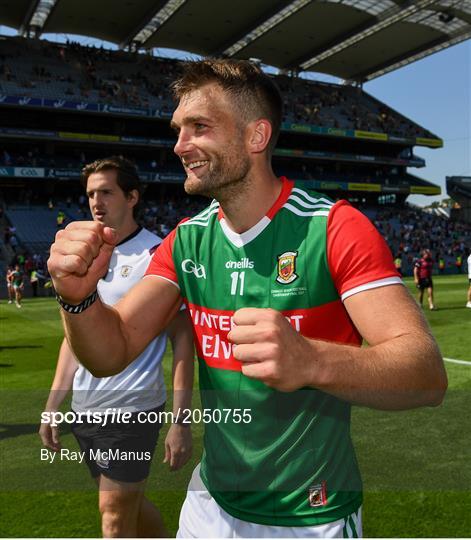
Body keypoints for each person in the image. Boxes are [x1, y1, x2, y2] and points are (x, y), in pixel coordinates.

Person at [48, 60, 447, 538]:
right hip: (209, 504)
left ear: (256, 136)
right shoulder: (187, 241)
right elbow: (111, 350)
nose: (179, 145)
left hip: (309, 515)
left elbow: (425, 374)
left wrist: (312, 361)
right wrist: (77, 299)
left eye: (199, 128)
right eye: (178, 130)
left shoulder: (333, 227)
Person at [40, 157, 195, 538]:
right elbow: (75, 339)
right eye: (91, 193)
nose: (96, 201)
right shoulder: (84, 252)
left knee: (112, 515)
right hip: (86, 408)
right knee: (130, 506)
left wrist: (181, 421)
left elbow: (183, 339)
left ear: (133, 196)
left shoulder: (158, 254)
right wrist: (52, 404)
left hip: (132, 409)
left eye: (106, 191)